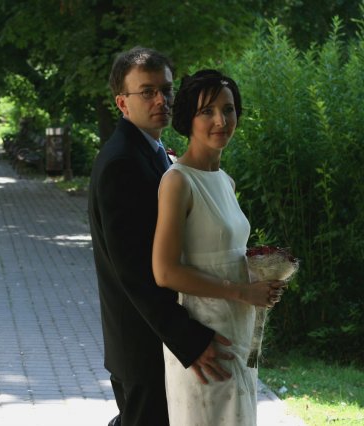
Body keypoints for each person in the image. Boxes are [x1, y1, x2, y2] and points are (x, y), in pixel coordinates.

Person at [88, 47, 235, 426]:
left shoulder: (151, 152)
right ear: (122, 102)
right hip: (144, 343)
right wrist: (187, 339)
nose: (161, 100)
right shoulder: (122, 162)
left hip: (154, 338)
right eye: (148, 92)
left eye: (166, 90)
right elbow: (134, 269)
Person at [152, 69, 286, 425]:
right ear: (188, 119)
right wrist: (243, 291)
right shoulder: (177, 181)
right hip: (205, 339)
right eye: (207, 111)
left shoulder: (226, 181)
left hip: (239, 330)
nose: (221, 121)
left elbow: (221, 253)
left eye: (228, 109)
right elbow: (165, 272)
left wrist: (261, 276)